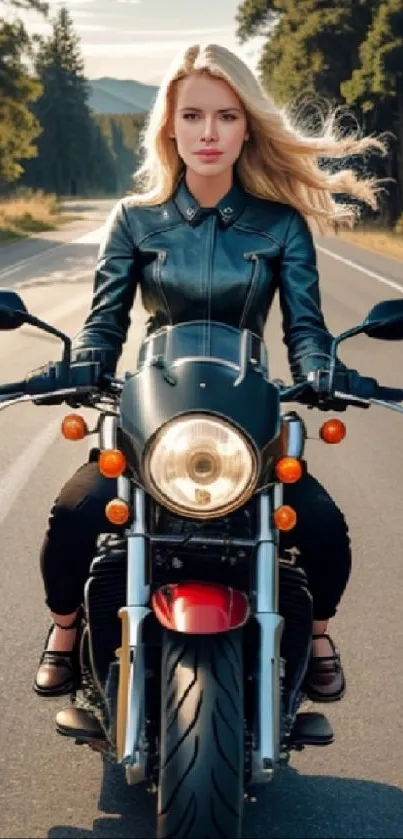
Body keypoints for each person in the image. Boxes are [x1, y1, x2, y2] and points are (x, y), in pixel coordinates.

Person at [33, 43, 386, 707]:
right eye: (192, 115)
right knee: (71, 513)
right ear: (168, 123)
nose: (208, 132)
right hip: (150, 417)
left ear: (247, 125)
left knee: (321, 526)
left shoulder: (278, 225)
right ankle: (65, 627)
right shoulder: (135, 219)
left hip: (243, 417)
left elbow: (304, 327)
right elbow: (105, 323)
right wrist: (82, 363)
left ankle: (316, 632)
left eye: (225, 116)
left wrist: (319, 366)